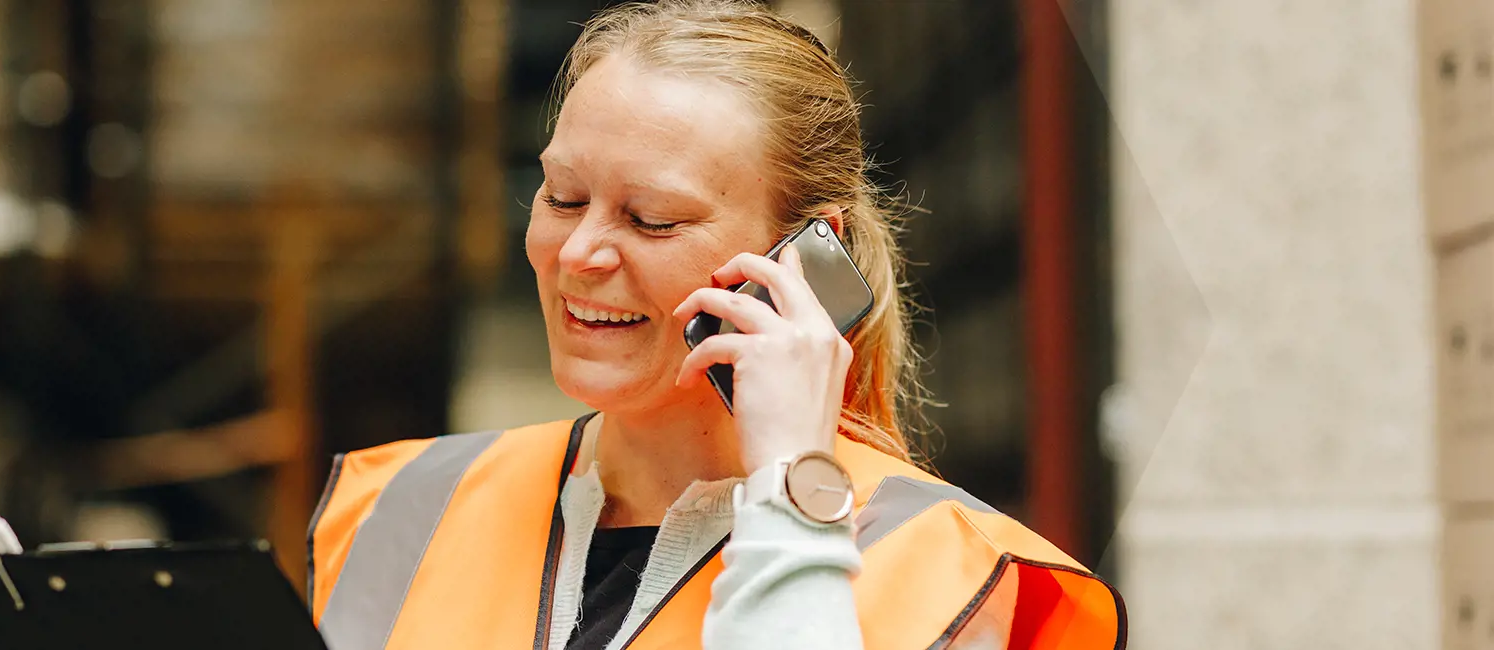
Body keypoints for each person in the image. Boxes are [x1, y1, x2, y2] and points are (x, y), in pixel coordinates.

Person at [306, 2, 1124, 648]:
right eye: (560, 197)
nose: (580, 252)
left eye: (652, 219)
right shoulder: (396, 506)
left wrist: (792, 496)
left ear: (803, 257)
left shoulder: (943, 566)